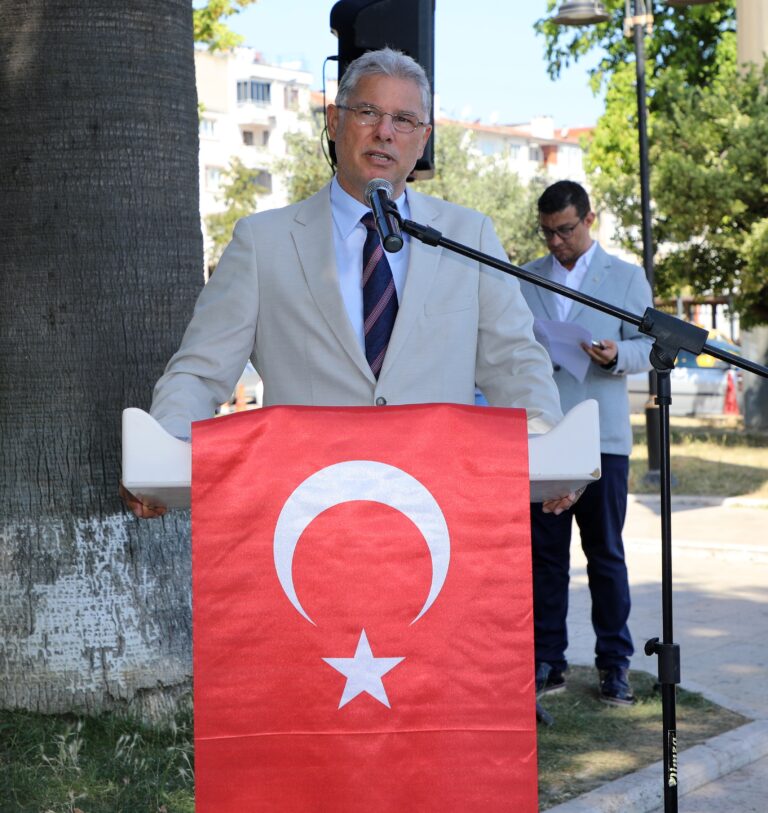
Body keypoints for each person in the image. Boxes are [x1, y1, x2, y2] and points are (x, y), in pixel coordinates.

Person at [120, 48, 578, 519]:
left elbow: (515, 361)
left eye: (403, 119)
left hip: (440, 514)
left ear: (423, 140)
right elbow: (199, 372)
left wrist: (550, 451)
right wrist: (165, 456)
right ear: (335, 120)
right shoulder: (263, 242)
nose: (385, 131)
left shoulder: (467, 236)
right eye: (368, 112)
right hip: (303, 516)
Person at [519, 180, 653, 706]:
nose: (556, 242)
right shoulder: (524, 277)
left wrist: (615, 353)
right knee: (545, 558)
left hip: (604, 438)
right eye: (548, 232)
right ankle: (547, 660)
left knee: (605, 555)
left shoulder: (625, 276)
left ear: (589, 219)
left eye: (566, 230)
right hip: (544, 437)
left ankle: (614, 665)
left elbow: (649, 346)